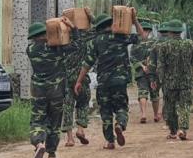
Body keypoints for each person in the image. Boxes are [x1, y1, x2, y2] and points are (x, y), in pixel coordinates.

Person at [74, 11, 144, 149]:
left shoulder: (95, 41)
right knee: (121, 107)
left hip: (103, 82)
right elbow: (143, 36)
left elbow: (87, 63)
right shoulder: (121, 37)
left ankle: (110, 141)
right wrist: (135, 21)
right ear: (111, 24)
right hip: (120, 81)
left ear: (98, 27)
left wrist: (79, 81)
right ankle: (120, 124)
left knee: (105, 112)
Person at [26, 17, 76, 158]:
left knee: (38, 119)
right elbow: (77, 45)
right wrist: (72, 28)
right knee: (54, 123)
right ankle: (52, 155)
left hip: (38, 92)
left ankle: (38, 143)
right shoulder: (57, 48)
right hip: (56, 91)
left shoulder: (30, 50)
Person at [153, 20, 193, 140]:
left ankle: (173, 131)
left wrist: (159, 81)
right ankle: (183, 129)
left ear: (169, 32)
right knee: (184, 105)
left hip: (169, 83)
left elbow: (160, 66)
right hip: (186, 82)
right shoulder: (190, 44)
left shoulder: (164, 46)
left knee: (170, 107)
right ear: (180, 32)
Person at [61, 12, 95, 147]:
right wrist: (90, 16)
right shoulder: (82, 39)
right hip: (81, 77)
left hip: (66, 78)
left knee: (67, 106)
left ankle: (69, 138)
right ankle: (80, 130)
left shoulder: (61, 40)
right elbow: (99, 29)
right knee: (83, 103)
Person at [131, 21, 161, 123]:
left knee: (142, 92)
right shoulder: (155, 42)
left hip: (141, 72)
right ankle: (156, 115)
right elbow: (159, 57)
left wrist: (141, 66)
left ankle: (143, 114)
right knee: (154, 93)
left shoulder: (135, 44)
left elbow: (132, 58)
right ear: (149, 31)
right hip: (153, 72)